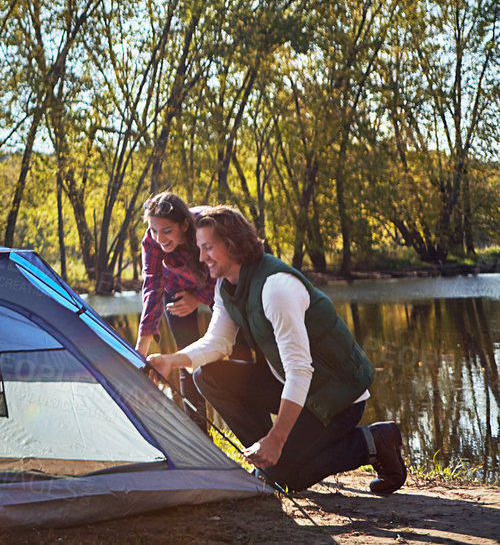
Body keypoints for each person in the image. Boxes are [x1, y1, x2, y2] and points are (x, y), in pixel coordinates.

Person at [148, 206, 406, 494]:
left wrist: (278, 438)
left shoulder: (276, 288)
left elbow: (299, 369)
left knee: (285, 479)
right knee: (208, 376)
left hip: (338, 397)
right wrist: (171, 360)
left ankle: (373, 442)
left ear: (232, 244)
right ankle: (268, 459)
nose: (201, 257)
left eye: (208, 247)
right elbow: (218, 342)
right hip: (298, 387)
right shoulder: (226, 285)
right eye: (199, 248)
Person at [135, 191, 215, 428]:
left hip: (212, 284)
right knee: (186, 357)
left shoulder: (206, 225)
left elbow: (226, 270)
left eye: (166, 231)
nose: (159, 238)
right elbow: (152, 285)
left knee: (239, 346)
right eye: (154, 230)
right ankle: (200, 433)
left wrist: (199, 298)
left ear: (184, 225)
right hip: (177, 288)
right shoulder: (152, 241)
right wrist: (142, 345)